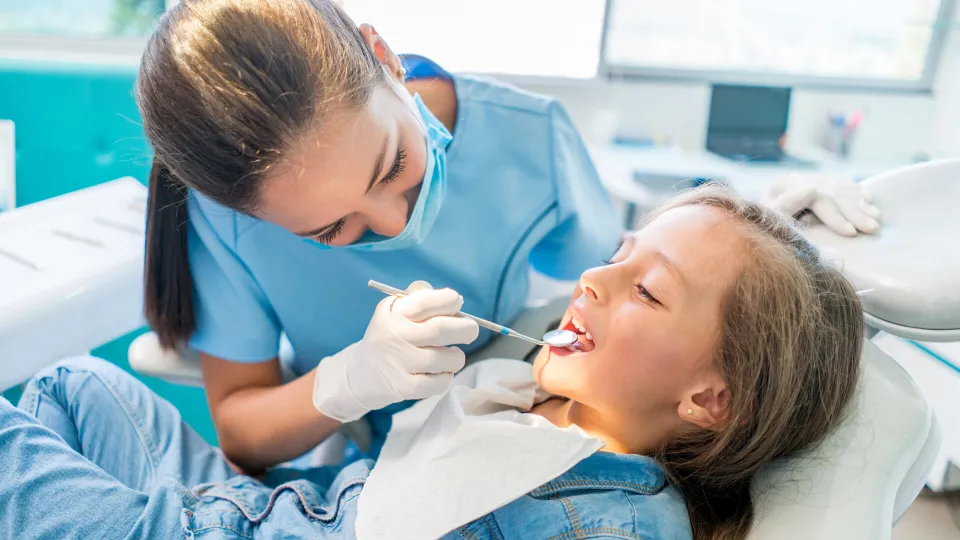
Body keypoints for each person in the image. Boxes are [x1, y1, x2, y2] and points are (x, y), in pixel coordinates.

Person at [0, 188, 863, 540]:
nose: (596, 279)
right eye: (619, 253)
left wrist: (800, 283)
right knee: (71, 385)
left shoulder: (605, 523)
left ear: (711, 398)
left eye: (647, 291)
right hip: (257, 507)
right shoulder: (537, 396)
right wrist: (771, 232)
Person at [136, 0, 622, 472]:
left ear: (384, 56)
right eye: (329, 228)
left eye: (394, 166)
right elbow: (241, 434)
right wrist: (350, 380)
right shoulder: (223, 222)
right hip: (369, 462)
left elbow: (606, 303)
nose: (395, 226)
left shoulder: (530, 135)